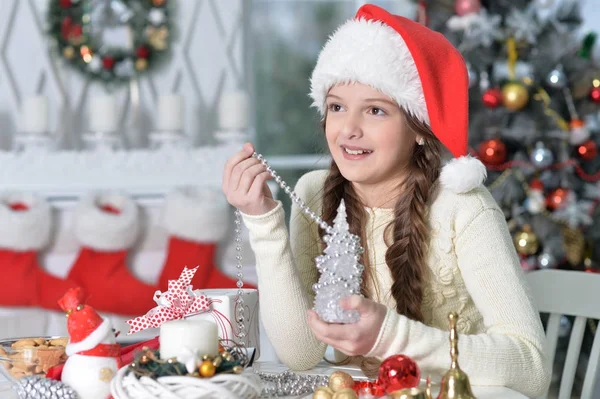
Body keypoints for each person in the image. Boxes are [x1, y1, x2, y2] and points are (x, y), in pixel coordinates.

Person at [222, 4, 550, 397]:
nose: (348, 129)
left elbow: (531, 367)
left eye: (375, 110)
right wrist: (263, 221)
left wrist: (389, 335)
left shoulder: (463, 207)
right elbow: (301, 354)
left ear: (420, 129)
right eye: (337, 107)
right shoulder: (315, 192)